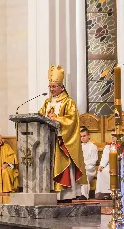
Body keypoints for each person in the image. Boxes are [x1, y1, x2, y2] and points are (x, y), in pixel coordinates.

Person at [39, 65, 87, 202]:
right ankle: (50, 192)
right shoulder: (47, 102)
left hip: (61, 141)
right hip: (47, 140)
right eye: (50, 87)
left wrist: (56, 119)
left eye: (54, 87)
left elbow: (71, 121)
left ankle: (66, 195)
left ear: (61, 87)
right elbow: (40, 116)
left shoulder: (69, 102)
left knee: (62, 165)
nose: (51, 89)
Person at [95, 130, 117, 200]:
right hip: (110, 164)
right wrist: (102, 165)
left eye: (114, 136)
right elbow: (105, 157)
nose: (113, 137)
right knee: (102, 172)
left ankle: (116, 193)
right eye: (112, 136)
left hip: (120, 164)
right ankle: (106, 193)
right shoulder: (108, 146)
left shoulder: (122, 145)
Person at [79, 127, 98, 200]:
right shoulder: (79, 147)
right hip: (80, 167)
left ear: (88, 136)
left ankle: (84, 195)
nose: (82, 138)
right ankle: (77, 194)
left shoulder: (93, 147)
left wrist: (83, 164)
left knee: (84, 173)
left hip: (89, 169)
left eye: (84, 136)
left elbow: (93, 160)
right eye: (81, 136)